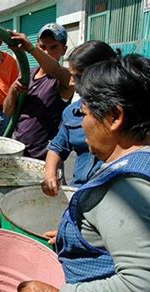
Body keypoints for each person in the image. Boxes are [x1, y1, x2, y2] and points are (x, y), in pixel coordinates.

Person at [13, 54, 150, 292]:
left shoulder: (126, 189)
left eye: (84, 113)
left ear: (115, 116)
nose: (82, 123)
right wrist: (76, 237)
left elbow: (146, 283)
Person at [42, 41, 117, 196]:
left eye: (77, 77)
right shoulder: (72, 113)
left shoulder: (125, 111)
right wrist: (50, 174)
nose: (71, 83)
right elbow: (57, 147)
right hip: (79, 192)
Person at [3, 24, 73, 160]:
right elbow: (8, 111)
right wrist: (12, 91)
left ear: (64, 50)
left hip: (45, 157)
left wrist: (31, 49)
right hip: (19, 151)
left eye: (53, 47)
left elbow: (53, 68)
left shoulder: (65, 78)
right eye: (42, 47)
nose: (47, 52)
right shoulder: (28, 73)